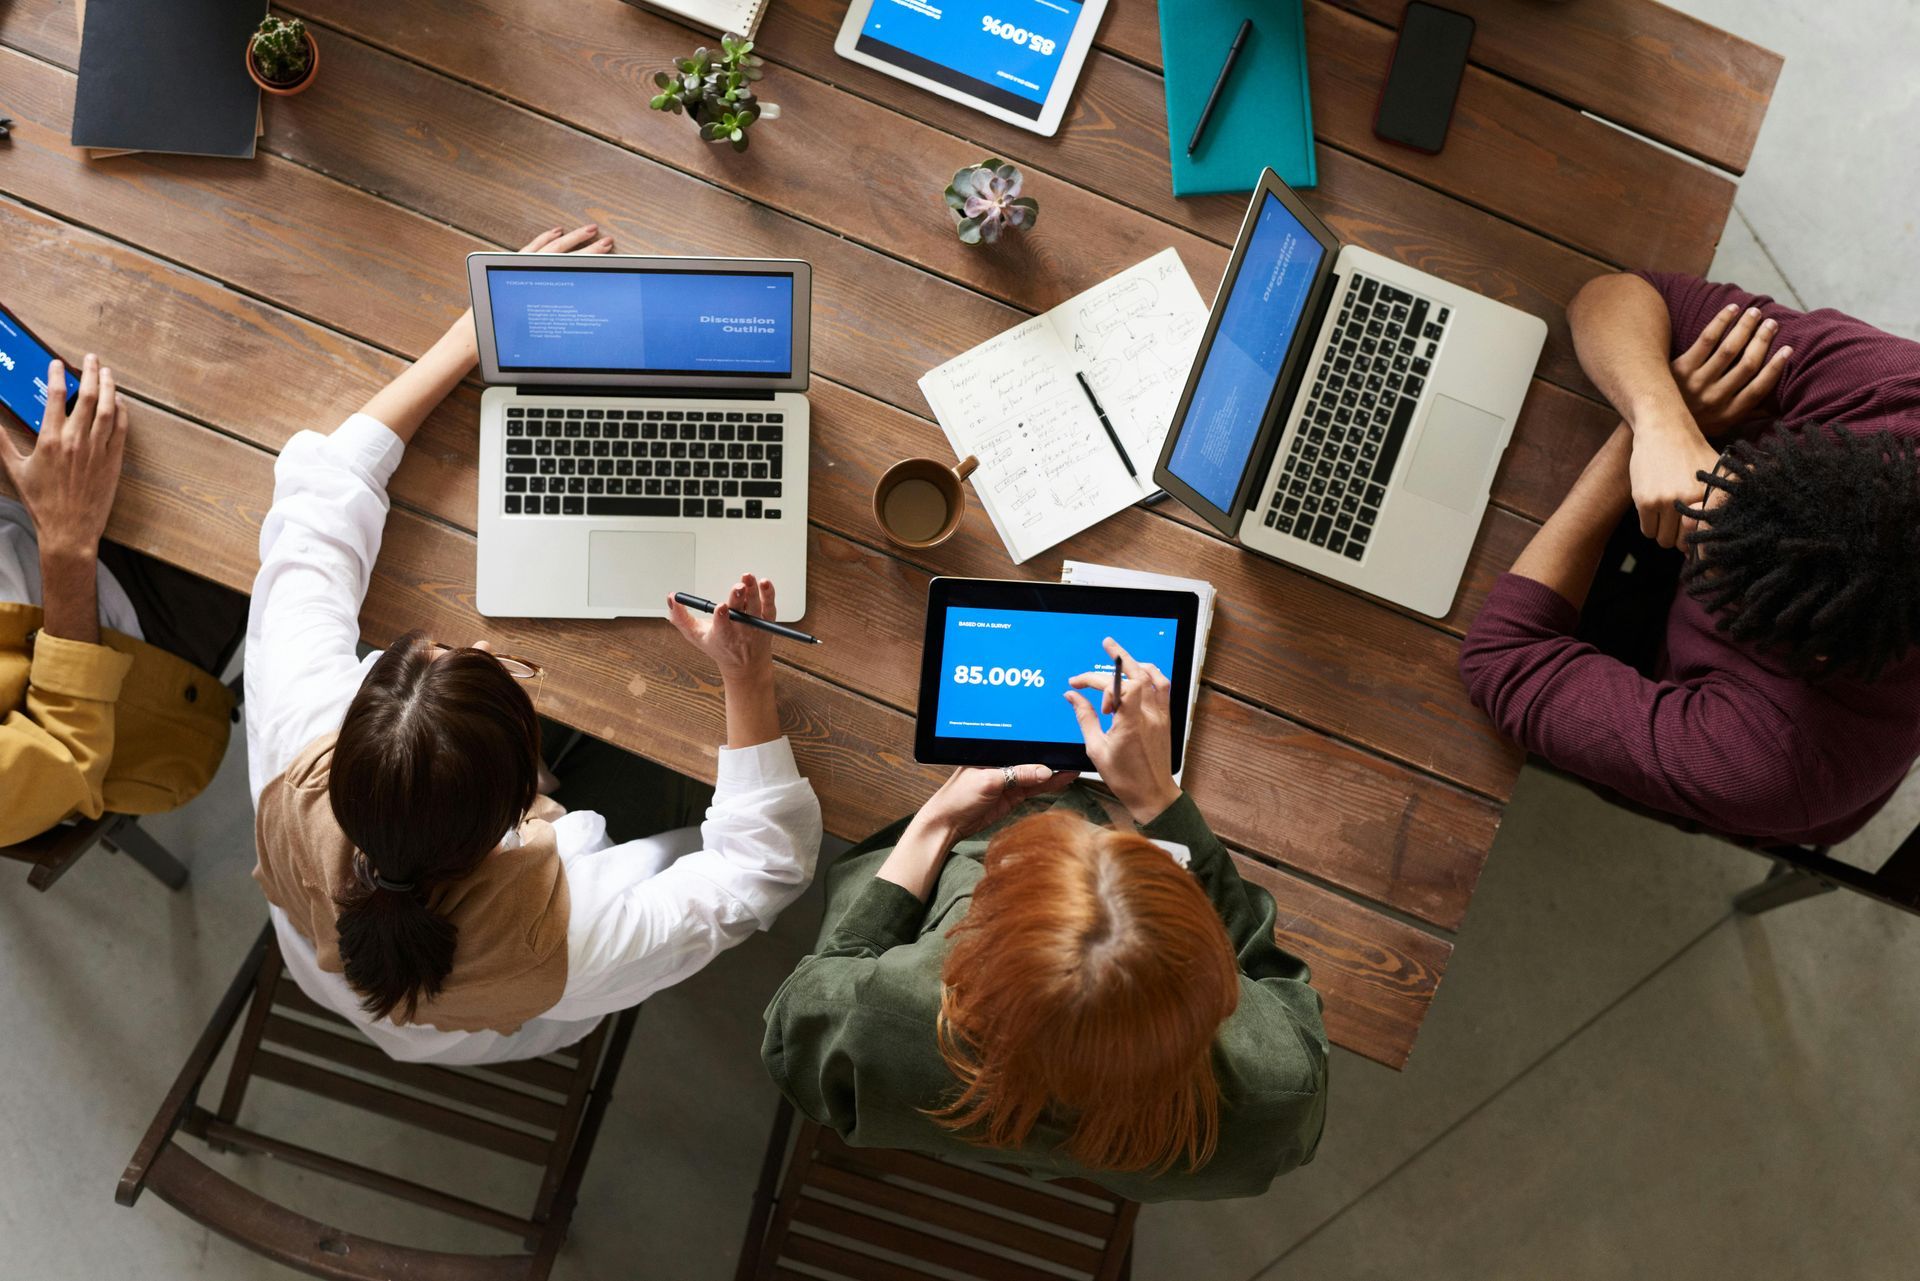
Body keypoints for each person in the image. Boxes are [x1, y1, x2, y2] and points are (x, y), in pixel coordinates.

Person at [247, 223, 821, 1064]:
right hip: (509, 1018)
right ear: (530, 800)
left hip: (335, 966)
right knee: (670, 772)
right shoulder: (577, 927)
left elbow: (314, 508)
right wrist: (746, 678)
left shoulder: (300, 729)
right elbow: (763, 868)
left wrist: (469, 337)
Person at [761, 637, 1328, 1202]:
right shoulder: (1276, 1096)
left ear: (975, 945)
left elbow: (817, 986)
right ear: (1212, 980)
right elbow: (1268, 976)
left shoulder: (870, 1023)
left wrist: (938, 823)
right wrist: (1160, 802)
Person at [1460, 270, 1920, 846]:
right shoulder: (1898, 397)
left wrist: (1635, 442)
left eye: (1708, 546)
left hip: (1690, 701)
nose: (1694, 508)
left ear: (1807, 651)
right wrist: (1664, 423)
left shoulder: (1770, 762)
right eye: (1734, 481)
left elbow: (1502, 662)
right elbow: (1611, 295)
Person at [1, 354, 246, 847]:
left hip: (32, 516)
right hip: (119, 630)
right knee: (256, 444)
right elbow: (67, 750)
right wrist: (68, 543)